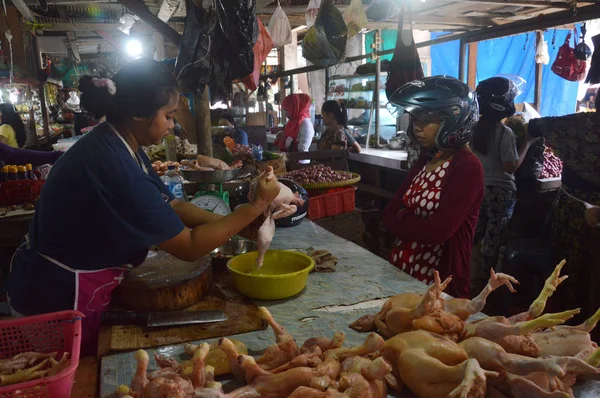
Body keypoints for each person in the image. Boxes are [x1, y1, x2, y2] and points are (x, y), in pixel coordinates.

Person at [4, 59, 280, 355]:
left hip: (71, 281)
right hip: (58, 297)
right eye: (169, 116)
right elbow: (188, 246)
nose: (173, 126)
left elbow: (172, 205)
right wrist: (254, 207)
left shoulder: (121, 143)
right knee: (68, 374)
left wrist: (235, 224)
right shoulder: (114, 166)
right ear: (138, 113)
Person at [383, 76, 483, 299]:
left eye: (427, 119)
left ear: (454, 121)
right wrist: (412, 222)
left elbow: (438, 232)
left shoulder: (468, 167)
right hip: (402, 270)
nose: (417, 127)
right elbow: (388, 214)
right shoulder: (426, 159)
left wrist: (403, 217)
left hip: (440, 284)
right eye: (415, 118)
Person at [527, 90, 600, 335]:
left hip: (572, 210)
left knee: (566, 270)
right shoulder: (576, 122)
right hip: (576, 209)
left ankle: (565, 328)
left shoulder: (575, 124)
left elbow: (533, 127)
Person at [471, 77, 537, 287]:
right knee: (494, 237)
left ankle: (470, 278)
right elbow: (510, 167)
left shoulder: (472, 129)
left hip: (478, 188)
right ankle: (487, 285)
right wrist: (527, 142)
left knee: (476, 233)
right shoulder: (504, 133)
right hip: (500, 191)